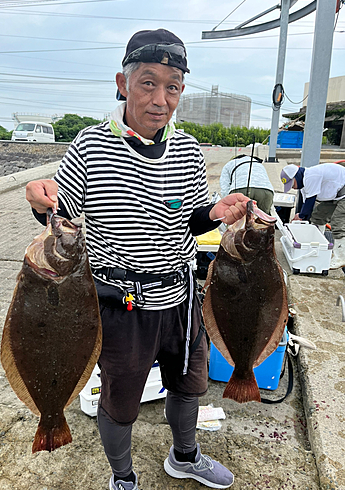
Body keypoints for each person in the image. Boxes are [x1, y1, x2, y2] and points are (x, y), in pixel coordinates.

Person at [26, 28, 249, 490]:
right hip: (120, 301)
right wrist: (39, 197)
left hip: (182, 295)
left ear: (182, 91)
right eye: (148, 82)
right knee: (122, 399)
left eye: (172, 86)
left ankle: (184, 456)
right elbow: (59, 209)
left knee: (191, 385)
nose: (160, 98)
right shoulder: (90, 143)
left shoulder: (187, 147)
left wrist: (214, 211)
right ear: (123, 83)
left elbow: (189, 219)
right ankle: (122, 477)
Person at [280, 163, 345, 270]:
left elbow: (311, 201)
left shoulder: (311, 176)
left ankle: (341, 257)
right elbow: (306, 206)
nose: (293, 187)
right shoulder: (303, 186)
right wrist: (300, 215)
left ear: (296, 176)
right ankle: (319, 246)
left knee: (338, 223)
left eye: (292, 184)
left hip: (342, 193)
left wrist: (301, 216)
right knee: (318, 216)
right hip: (335, 195)